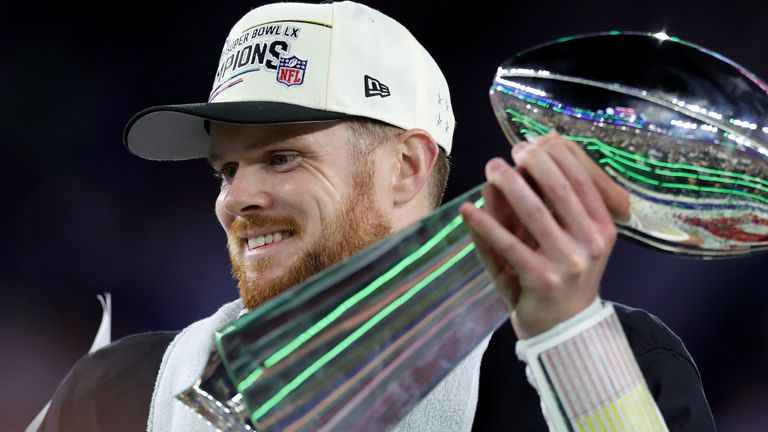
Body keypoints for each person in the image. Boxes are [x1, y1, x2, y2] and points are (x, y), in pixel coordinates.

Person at [36, 1, 714, 431]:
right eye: (226, 169)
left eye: (280, 159)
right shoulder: (122, 391)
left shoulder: (607, 361)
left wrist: (570, 341)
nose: (234, 199)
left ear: (407, 168)